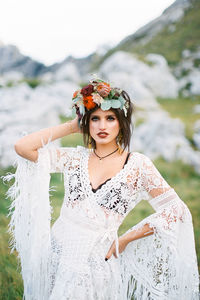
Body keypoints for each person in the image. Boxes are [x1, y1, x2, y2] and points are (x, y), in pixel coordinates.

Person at [7, 78, 199, 299]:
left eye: (110, 118)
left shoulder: (138, 165)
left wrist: (125, 239)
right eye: (95, 119)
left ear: (121, 123)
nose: (102, 126)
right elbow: (22, 147)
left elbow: (176, 211)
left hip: (97, 263)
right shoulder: (74, 158)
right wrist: (73, 125)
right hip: (58, 254)